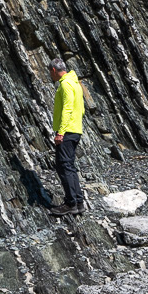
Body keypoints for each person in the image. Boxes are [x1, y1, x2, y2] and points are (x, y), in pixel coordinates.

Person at [48, 58, 84, 213]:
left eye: (50, 72)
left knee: (64, 167)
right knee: (69, 166)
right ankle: (78, 202)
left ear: (54, 70)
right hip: (75, 130)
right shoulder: (75, 83)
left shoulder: (65, 85)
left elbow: (67, 109)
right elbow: (81, 109)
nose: (50, 75)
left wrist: (61, 132)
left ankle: (71, 203)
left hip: (67, 132)